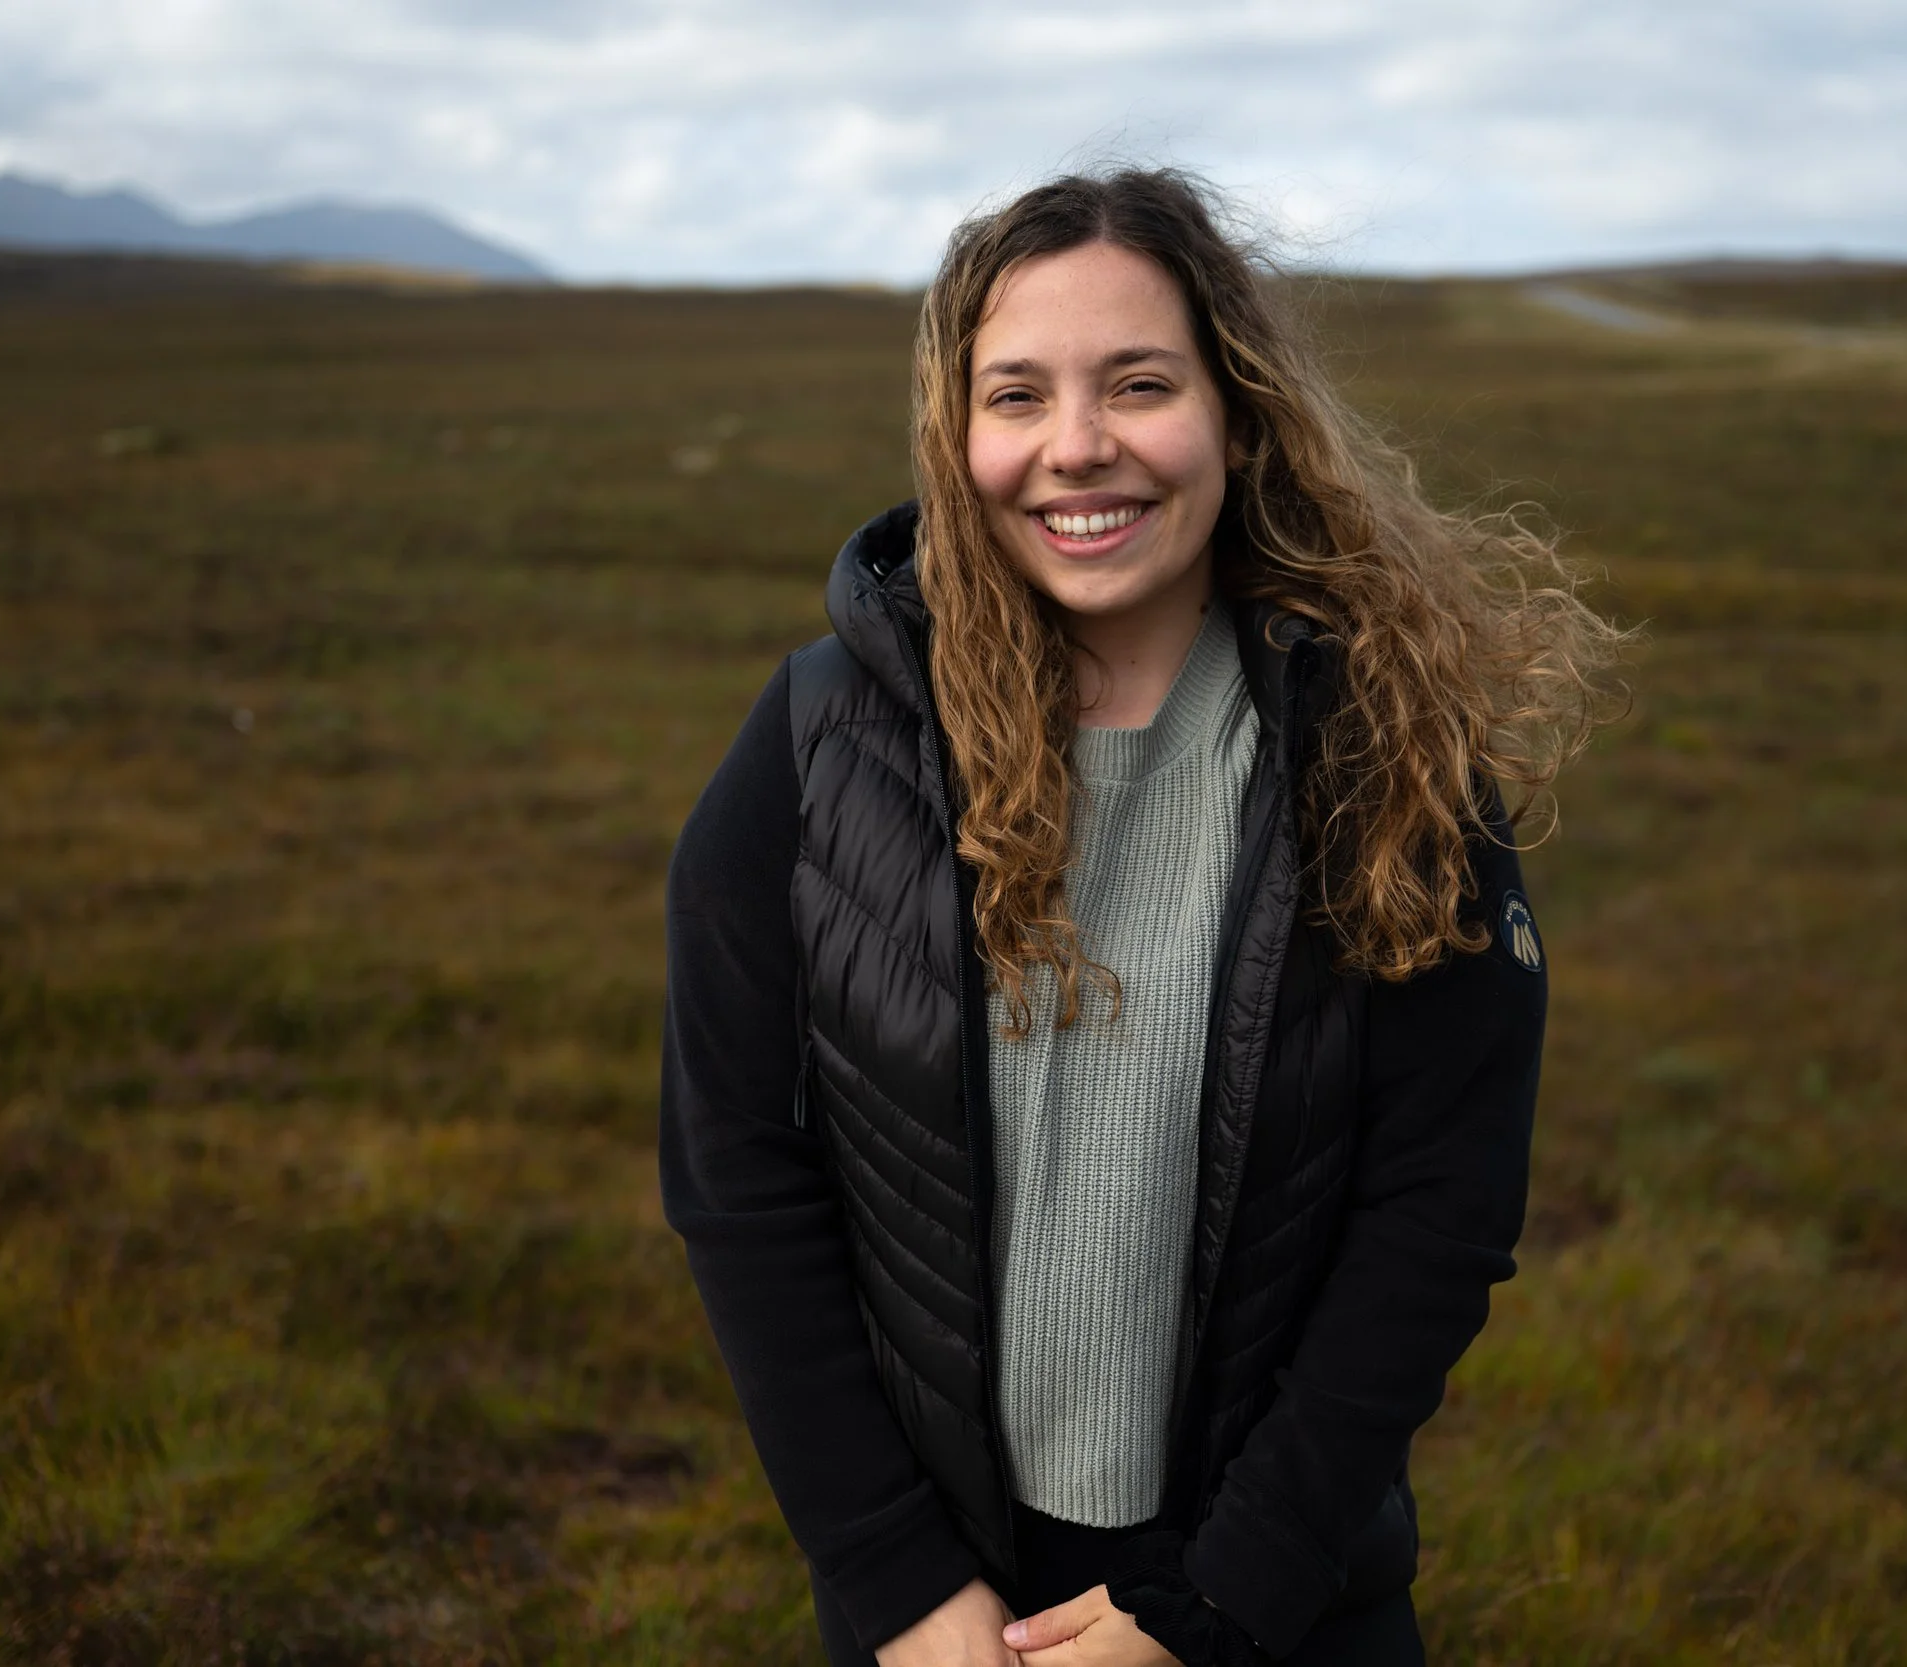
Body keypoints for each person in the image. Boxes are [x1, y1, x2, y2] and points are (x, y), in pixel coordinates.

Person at [660, 167, 1622, 1666]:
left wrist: (1220, 1602)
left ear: (1236, 411)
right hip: (939, 1615)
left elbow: (1435, 1220)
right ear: (955, 435)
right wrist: (896, 1581)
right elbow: (739, 1179)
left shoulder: (1384, 752)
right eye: (1019, 395)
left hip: (1277, 1604)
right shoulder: (814, 751)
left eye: (1139, 383)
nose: (1078, 447)